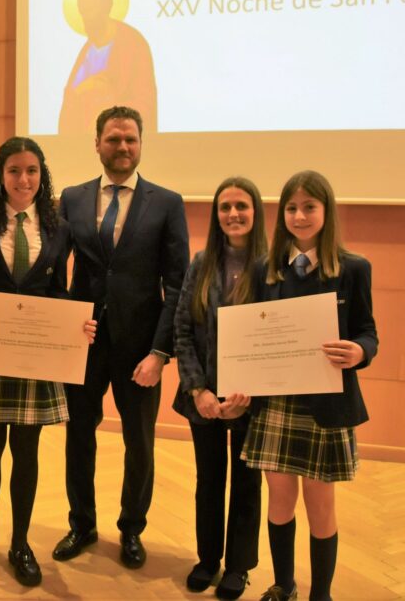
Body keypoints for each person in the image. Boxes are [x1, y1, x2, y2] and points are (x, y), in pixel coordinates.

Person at [0, 137, 96, 587]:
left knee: (27, 454)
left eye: (31, 170)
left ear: (41, 175)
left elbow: (58, 293)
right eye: (14, 170)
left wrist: (75, 324)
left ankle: (20, 543)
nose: (23, 179)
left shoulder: (58, 229)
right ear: (1, 175)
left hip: (35, 359)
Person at [54, 105, 190, 568]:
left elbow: (178, 285)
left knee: (140, 442)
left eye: (130, 139)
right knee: (79, 436)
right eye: (113, 139)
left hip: (140, 349)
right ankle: (81, 524)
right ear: (97, 143)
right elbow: (54, 270)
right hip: (84, 343)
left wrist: (160, 351)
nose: (123, 147)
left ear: (141, 143)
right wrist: (59, 326)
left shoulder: (167, 203)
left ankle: (132, 528)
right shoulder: (71, 198)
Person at [243, 171, 378, 601]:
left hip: (326, 405)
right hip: (276, 403)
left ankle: (321, 594)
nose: (299, 216)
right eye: (291, 208)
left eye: (309, 207)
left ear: (326, 211)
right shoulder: (264, 269)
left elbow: (368, 332)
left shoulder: (353, 268)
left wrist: (359, 352)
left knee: (320, 507)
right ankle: (283, 585)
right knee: (279, 501)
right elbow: (251, 335)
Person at [174, 177, 266, 599]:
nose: (233, 214)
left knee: (246, 484)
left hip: (252, 401)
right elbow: (182, 330)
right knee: (208, 480)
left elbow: (275, 338)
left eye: (241, 206)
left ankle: (239, 566)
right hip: (204, 399)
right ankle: (208, 559)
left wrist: (248, 393)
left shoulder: (271, 267)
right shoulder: (201, 263)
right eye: (225, 207)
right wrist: (199, 390)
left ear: (255, 212)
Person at [58, 0, 157, 135]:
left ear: (105, 8)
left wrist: (108, 121)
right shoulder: (88, 50)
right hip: (85, 139)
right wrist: (83, 88)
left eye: (90, 9)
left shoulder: (132, 43)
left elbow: (144, 100)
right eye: (82, 11)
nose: (86, 18)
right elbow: (71, 99)